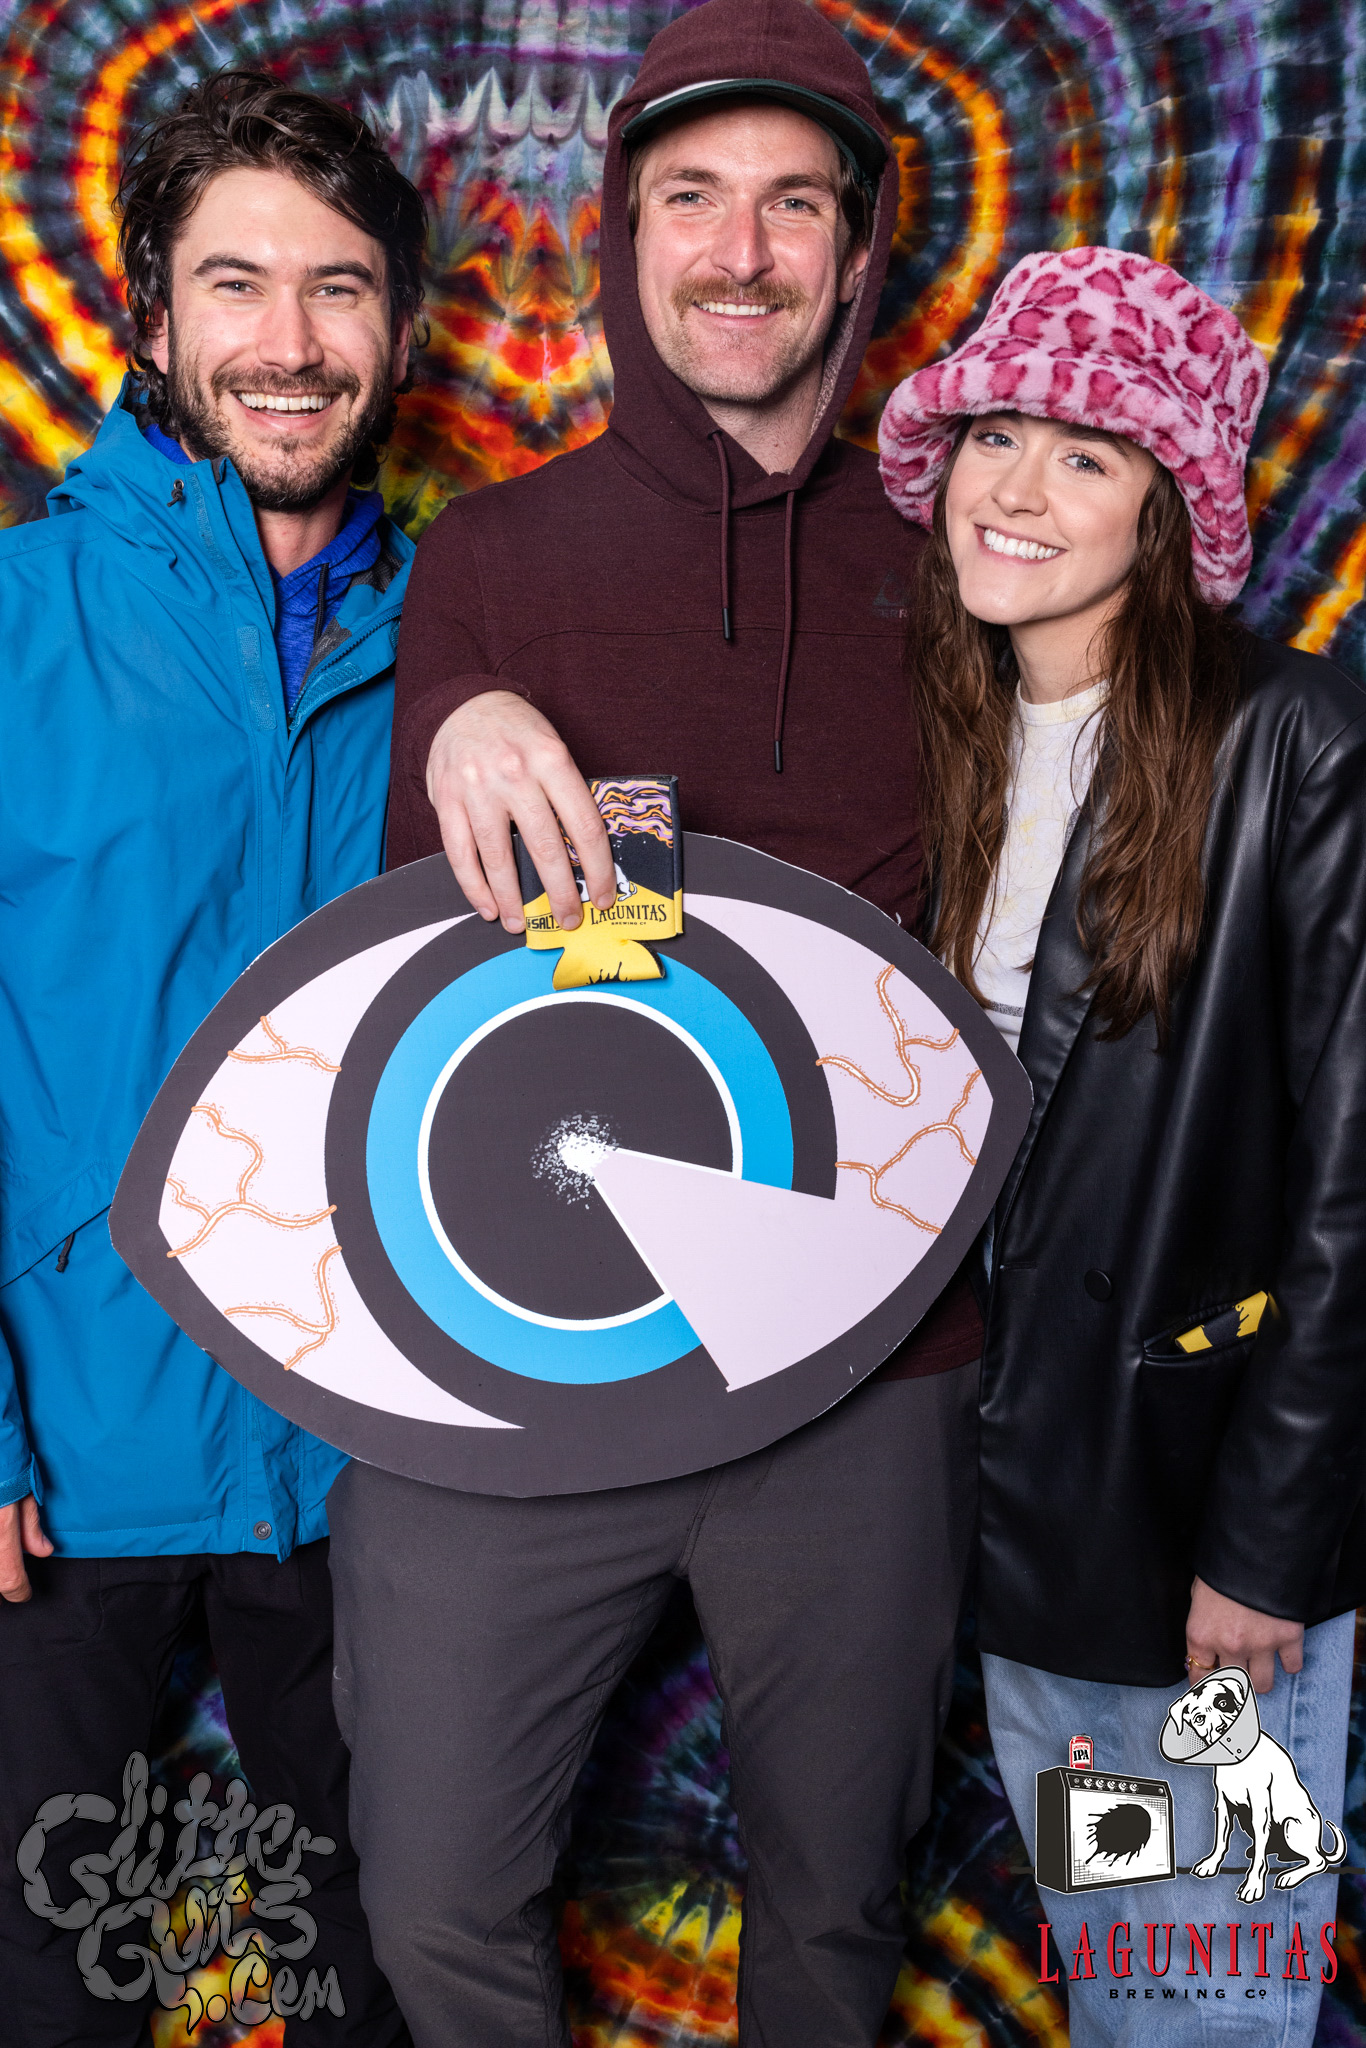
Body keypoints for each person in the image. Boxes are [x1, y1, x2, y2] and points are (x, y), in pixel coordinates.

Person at [330, 1, 982, 2042]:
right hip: (518, 1351)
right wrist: (465, 715)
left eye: (793, 204)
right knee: (432, 1892)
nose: (740, 252)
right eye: (692, 198)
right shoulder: (489, 555)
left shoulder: (962, 562)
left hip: (868, 1361)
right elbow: (418, 916)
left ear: (858, 254)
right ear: (621, 233)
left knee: (834, 1908)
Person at [878, 245, 1366, 2044]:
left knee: (1204, 2005)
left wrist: (1266, 1549)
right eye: (994, 436)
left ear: (1168, 509)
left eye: (1084, 455)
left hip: (1190, 1534)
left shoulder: (1295, 741)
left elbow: (1352, 1192)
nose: (1015, 488)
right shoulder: (949, 739)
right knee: (1127, 1980)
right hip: (1020, 1520)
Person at [0, 71, 424, 2046]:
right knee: (49, 1973)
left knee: (385, 1962)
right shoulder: (17, 622)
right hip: (67, 1449)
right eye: (235, 284)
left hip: (374, 1455)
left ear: (399, 325)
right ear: (151, 317)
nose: (289, 341)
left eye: (339, 287)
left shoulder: (464, 643)